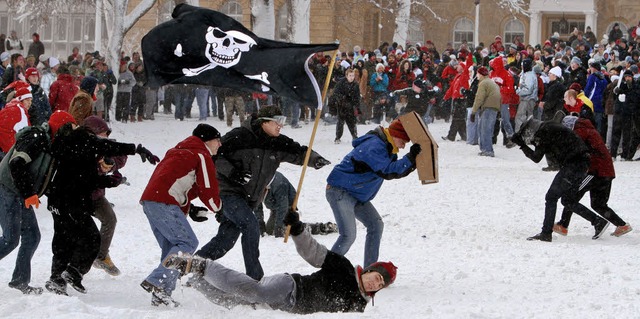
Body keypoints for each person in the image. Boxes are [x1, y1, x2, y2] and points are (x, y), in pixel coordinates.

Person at [165, 210, 396, 314]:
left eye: (380, 285)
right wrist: (297, 229)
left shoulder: (358, 306)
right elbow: (312, 252)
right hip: (291, 287)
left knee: (234, 304)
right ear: (368, 270)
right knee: (256, 293)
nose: (375, 284)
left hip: (290, 309)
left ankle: (197, 282)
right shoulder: (343, 268)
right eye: (376, 278)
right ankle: (201, 266)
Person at [195, 105, 331, 280]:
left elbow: (298, 151)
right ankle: (255, 279)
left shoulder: (278, 142)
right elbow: (214, 157)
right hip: (228, 193)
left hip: (250, 199)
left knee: (225, 241)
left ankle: (191, 265)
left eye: (282, 121)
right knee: (250, 225)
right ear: (263, 122)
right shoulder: (238, 137)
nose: (280, 125)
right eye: (277, 121)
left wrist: (315, 159)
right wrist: (233, 172)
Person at [44, 115, 159, 296]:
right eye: (103, 134)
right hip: (69, 201)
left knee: (64, 240)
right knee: (90, 239)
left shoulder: (75, 143)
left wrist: (110, 180)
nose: (105, 138)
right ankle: (72, 273)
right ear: (93, 132)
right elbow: (107, 149)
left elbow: (86, 177)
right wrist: (136, 149)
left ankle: (58, 279)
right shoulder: (84, 141)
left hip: (61, 199)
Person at [139, 123, 222, 307]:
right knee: (188, 243)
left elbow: (178, 184)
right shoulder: (201, 154)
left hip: (151, 201)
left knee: (173, 248)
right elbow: (207, 187)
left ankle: (162, 294)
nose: (220, 144)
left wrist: (190, 209)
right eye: (218, 140)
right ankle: (156, 279)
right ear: (207, 140)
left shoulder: (178, 151)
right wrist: (218, 207)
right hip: (163, 202)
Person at [0, 111, 76, 295]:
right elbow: (16, 164)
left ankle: (20, 281)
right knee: (11, 239)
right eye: (69, 130)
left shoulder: (52, 143)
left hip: (20, 193)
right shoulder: (36, 138)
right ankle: (20, 280)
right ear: (60, 128)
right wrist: (28, 194)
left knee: (32, 236)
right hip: (7, 189)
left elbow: (43, 174)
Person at [327, 118, 420, 267]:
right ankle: (327, 272)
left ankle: (369, 271)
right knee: (348, 236)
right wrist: (410, 158)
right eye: (403, 141)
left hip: (355, 193)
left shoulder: (386, 148)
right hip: (340, 191)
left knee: (375, 225)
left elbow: (395, 170)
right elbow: (388, 171)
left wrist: (413, 160)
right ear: (395, 135)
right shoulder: (374, 145)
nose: (403, 146)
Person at [510, 117, 610, 242]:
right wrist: (524, 143)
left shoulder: (544, 132)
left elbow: (536, 157)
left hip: (573, 164)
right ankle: (598, 221)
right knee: (568, 200)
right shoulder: (549, 127)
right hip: (582, 162)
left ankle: (546, 233)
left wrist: (522, 144)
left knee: (551, 197)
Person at [553, 116, 632, 237]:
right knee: (598, 204)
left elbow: (576, 151)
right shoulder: (588, 129)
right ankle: (622, 225)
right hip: (606, 171)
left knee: (569, 197)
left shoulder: (580, 132)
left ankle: (565, 225)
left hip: (595, 171)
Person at [78, 116, 127, 276]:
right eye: (101, 134)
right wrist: (100, 168)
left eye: (106, 134)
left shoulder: (105, 145)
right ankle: (71, 267)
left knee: (110, 219)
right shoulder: (79, 147)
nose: (105, 137)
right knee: (80, 233)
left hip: (96, 196)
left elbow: (121, 155)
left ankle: (100, 256)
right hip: (77, 198)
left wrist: (110, 163)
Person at [470, 66, 501, 157]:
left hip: (488, 108)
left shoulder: (483, 83)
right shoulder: (492, 82)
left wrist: (473, 111)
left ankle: (487, 150)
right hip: (494, 107)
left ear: (480, 74)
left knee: (485, 129)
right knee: (486, 129)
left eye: (478, 74)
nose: (477, 76)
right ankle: (485, 148)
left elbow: (479, 98)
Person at [0, 85, 33, 158]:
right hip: (8, 152)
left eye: (31, 100)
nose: (30, 103)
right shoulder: (19, 110)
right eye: (27, 100)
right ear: (21, 99)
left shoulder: (9, 107)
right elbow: (25, 134)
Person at [329, 68, 360, 144]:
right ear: (346, 76)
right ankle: (338, 137)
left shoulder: (355, 84)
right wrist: (342, 99)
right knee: (340, 122)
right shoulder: (341, 83)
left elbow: (357, 96)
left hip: (351, 106)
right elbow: (335, 93)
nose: (352, 77)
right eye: (350, 75)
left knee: (352, 122)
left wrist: (356, 106)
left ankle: (354, 136)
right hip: (341, 105)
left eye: (353, 75)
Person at [514, 59, 538, 132]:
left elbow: (528, 90)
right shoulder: (526, 74)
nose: (522, 67)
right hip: (527, 99)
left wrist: (517, 91)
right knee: (528, 118)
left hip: (527, 100)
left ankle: (520, 135)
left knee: (520, 117)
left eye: (523, 66)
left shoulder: (529, 75)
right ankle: (527, 134)